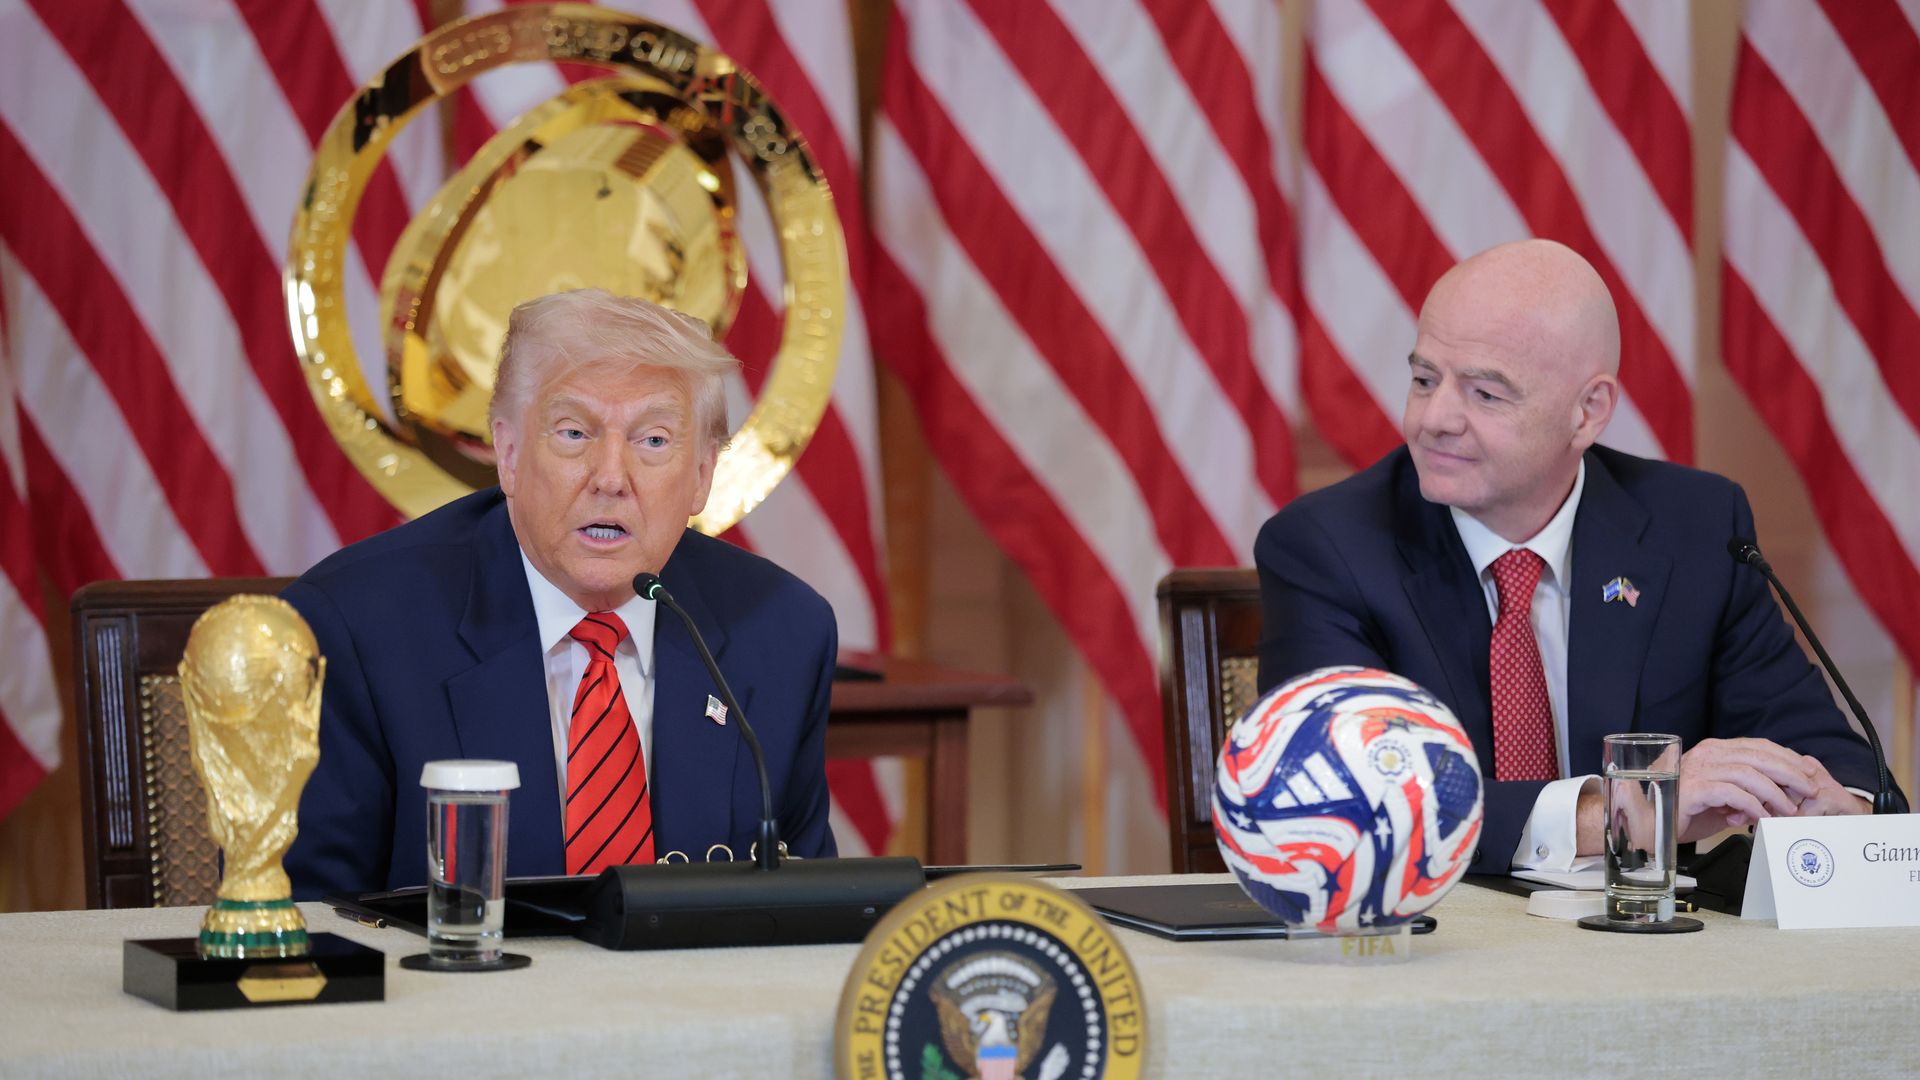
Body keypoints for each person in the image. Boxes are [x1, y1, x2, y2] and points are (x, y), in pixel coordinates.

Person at [1255, 239, 1902, 876]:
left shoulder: (1697, 529)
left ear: (1588, 411)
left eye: (1485, 393)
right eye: (1424, 378)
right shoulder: (1328, 547)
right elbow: (1352, 800)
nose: (1434, 418)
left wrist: (1835, 810)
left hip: (1653, 952)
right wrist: (1630, 813)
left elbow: (1819, 749)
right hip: (1438, 948)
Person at [283, 289, 837, 898]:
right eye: (573, 433)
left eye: (653, 441)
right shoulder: (360, 627)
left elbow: (804, 911)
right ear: (509, 453)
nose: (610, 478)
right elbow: (312, 919)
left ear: (703, 474)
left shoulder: (782, 633)